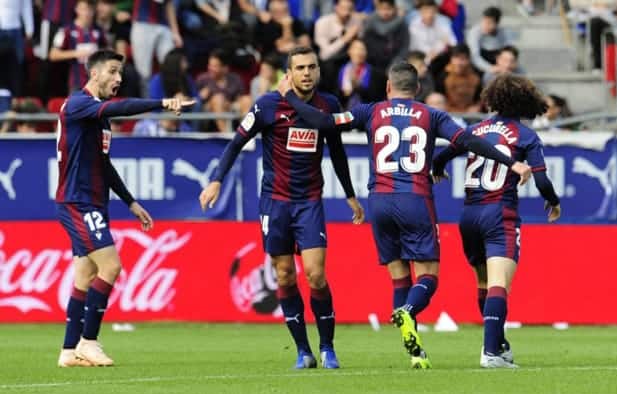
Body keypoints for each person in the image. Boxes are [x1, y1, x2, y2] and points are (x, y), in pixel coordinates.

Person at [278, 61, 532, 369]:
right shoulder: (431, 114)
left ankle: (413, 351)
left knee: (399, 278)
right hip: (415, 199)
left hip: (379, 202)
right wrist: (510, 162)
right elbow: (467, 140)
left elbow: (323, 121)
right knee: (428, 277)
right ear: (418, 89)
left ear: (388, 87)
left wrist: (290, 97)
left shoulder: (369, 111)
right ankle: (409, 311)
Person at [199, 46, 365, 370]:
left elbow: (338, 151)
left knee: (317, 275)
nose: (306, 73)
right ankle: (304, 351)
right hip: (275, 202)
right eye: (300, 67)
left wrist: (349, 194)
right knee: (285, 274)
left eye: (311, 67)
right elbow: (235, 144)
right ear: (288, 73)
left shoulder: (327, 104)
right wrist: (216, 180)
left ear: (318, 70)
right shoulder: (267, 105)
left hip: (309, 201)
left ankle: (328, 347)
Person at [55, 49, 194, 367]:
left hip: (93, 200)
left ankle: (68, 351)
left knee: (85, 272)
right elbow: (124, 107)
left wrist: (130, 201)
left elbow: (104, 165)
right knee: (111, 266)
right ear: (94, 74)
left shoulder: (98, 118)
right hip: (78, 200)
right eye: (113, 72)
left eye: (121, 73)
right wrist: (161, 103)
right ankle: (88, 341)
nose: (118, 79)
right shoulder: (78, 104)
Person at [431, 74, 561, 369]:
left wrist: (438, 168)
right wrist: (553, 201)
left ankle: (498, 345)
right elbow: (541, 179)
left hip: (469, 216)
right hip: (499, 213)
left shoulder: (475, 128)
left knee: (483, 282)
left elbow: (443, 154)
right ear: (526, 101)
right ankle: (490, 353)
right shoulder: (526, 135)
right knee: (499, 284)